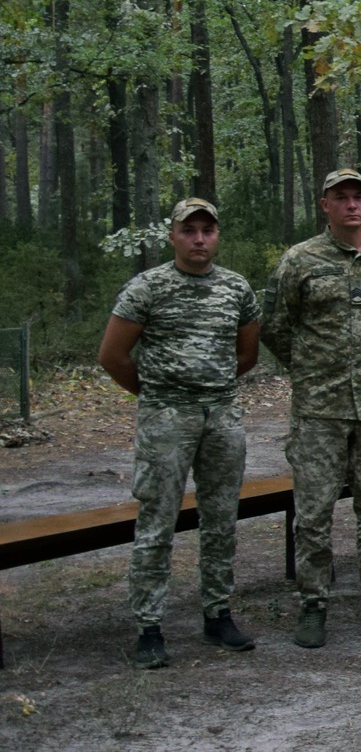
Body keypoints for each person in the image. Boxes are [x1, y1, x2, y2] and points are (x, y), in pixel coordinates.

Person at [261, 168, 361, 649]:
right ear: (325, 204)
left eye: (358, 197)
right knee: (312, 512)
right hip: (319, 409)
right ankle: (314, 603)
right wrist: (311, 368)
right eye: (341, 198)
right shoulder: (300, 260)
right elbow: (276, 325)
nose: (351, 205)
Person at [98, 198, 261, 668]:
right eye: (189, 230)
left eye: (207, 231)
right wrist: (158, 396)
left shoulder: (235, 288)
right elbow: (113, 357)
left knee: (221, 518)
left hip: (222, 417)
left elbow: (245, 355)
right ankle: (149, 626)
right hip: (167, 418)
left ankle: (218, 614)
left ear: (216, 236)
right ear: (172, 235)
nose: (198, 239)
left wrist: (212, 390)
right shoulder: (147, 288)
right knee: (157, 520)